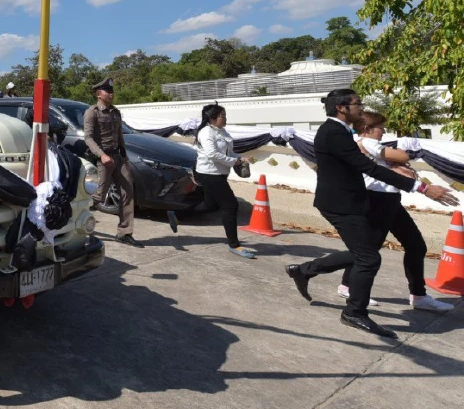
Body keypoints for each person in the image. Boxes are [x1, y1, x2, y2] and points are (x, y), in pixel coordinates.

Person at [285, 89, 457, 338]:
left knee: (364, 255)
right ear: (342, 108)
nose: (361, 108)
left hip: (352, 201)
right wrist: (422, 187)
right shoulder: (333, 132)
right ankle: (354, 312)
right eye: (357, 104)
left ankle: (304, 271)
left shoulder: (340, 131)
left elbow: (364, 166)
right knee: (368, 258)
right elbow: (366, 166)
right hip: (340, 204)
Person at [342, 111, 454, 313]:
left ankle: (418, 295)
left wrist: (396, 165)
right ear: (367, 129)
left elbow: (398, 164)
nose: (384, 132)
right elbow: (403, 155)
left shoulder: (368, 146)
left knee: (415, 246)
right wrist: (399, 158)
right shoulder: (367, 143)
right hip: (377, 201)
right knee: (368, 251)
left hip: (389, 200)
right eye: (380, 128)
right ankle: (342, 284)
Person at [83, 78, 143, 248]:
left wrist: (124, 156)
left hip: (119, 158)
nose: (111, 94)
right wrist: (101, 155)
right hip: (104, 159)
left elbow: (120, 136)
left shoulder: (115, 112)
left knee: (127, 193)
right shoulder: (92, 112)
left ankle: (125, 233)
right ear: (98, 94)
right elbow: (88, 138)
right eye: (107, 91)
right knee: (98, 195)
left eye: (112, 91)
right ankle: (79, 226)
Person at [192, 104, 256, 258]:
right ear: (212, 118)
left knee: (211, 205)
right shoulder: (206, 132)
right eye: (222, 116)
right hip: (209, 173)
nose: (225, 118)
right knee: (231, 205)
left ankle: (175, 213)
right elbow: (212, 154)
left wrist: (239, 157)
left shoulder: (222, 131)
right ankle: (234, 244)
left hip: (219, 173)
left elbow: (227, 151)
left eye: (225, 115)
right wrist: (233, 162)